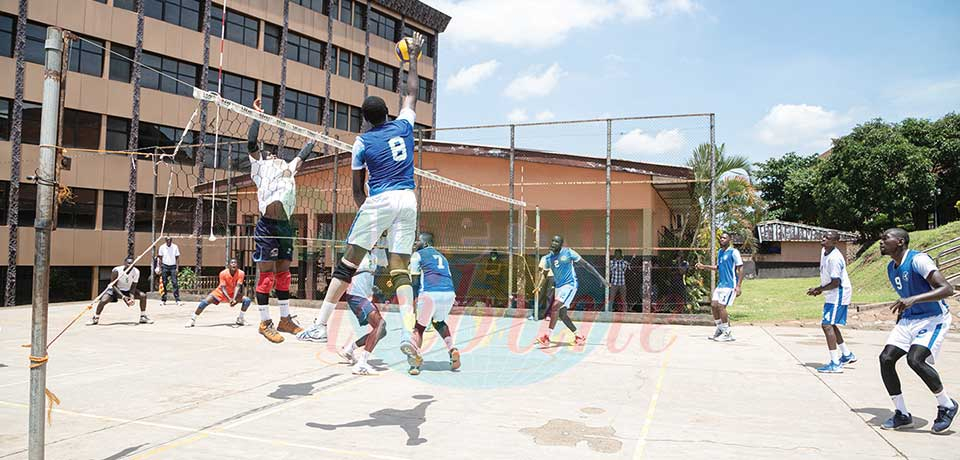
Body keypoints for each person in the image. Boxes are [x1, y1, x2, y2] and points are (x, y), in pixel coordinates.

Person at [297, 33, 426, 371]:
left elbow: (358, 189)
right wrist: (412, 58)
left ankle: (320, 324)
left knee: (348, 263)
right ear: (388, 113)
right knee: (400, 269)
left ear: (366, 119)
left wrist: (369, 225)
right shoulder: (404, 126)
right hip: (408, 199)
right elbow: (411, 92)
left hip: (380, 199)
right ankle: (411, 331)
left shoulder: (362, 141)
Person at [247, 98, 316, 343]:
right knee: (266, 274)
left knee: (284, 273)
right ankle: (264, 322)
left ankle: (284, 319)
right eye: (269, 151)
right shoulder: (260, 167)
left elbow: (303, 156)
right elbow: (252, 142)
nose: (273, 153)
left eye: (275, 151)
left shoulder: (287, 168)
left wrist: (315, 138)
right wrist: (257, 116)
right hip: (267, 224)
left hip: (285, 226)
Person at [877, 228, 957, 433]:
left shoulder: (918, 260)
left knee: (915, 360)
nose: (881, 242)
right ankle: (902, 414)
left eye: (886, 238)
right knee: (886, 358)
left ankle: (947, 405)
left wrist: (914, 299)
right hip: (908, 320)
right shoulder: (891, 267)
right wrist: (903, 312)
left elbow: (947, 289)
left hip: (933, 319)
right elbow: (906, 297)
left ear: (901, 242)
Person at [533, 235, 608, 346]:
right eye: (552, 241)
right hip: (559, 287)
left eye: (556, 242)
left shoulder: (568, 252)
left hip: (570, 285)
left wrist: (601, 278)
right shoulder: (549, 258)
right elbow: (545, 273)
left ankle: (547, 337)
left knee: (555, 307)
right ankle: (578, 336)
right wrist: (539, 285)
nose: (554, 243)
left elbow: (586, 265)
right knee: (562, 315)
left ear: (561, 244)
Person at [408, 232, 461, 375]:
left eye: (417, 241)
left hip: (430, 293)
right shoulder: (442, 257)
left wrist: (414, 301)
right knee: (439, 322)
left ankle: (414, 363)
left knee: (419, 328)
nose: (414, 244)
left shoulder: (417, 255)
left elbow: (415, 282)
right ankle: (452, 350)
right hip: (449, 293)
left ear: (425, 243)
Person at [335, 240, 389, 376]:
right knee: (380, 324)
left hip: (366, 296)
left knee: (382, 331)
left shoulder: (375, 255)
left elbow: (385, 265)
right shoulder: (358, 253)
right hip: (355, 296)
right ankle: (362, 364)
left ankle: (349, 349)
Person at [806, 231, 856, 373]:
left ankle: (835, 364)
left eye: (827, 238)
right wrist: (820, 289)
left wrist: (819, 289)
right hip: (831, 293)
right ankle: (846, 354)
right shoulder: (824, 250)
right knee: (831, 325)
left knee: (827, 325)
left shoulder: (835, 259)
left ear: (834, 242)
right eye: (823, 236)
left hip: (839, 293)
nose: (823, 239)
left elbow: (836, 282)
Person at [695, 232, 743, 342]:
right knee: (714, 305)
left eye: (724, 238)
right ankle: (720, 329)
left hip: (730, 285)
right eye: (721, 238)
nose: (722, 239)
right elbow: (718, 267)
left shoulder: (734, 252)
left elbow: (740, 268)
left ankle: (727, 333)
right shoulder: (720, 252)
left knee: (721, 307)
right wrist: (704, 266)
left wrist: (738, 286)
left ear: (729, 240)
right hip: (721, 284)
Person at [185, 258, 252, 328]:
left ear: (237, 265)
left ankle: (240, 319)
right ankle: (192, 319)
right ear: (229, 265)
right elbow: (223, 287)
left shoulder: (241, 273)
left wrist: (234, 299)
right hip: (220, 292)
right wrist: (229, 299)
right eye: (232, 263)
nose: (233, 264)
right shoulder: (223, 273)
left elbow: (237, 286)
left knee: (247, 300)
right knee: (204, 302)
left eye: (235, 263)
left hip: (232, 293)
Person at [87, 257, 152, 325]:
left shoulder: (136, 272)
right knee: (103, 300)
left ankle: (143, 317)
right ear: (124, 263)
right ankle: (95, 318)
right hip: (115, 289)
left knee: (143, 296)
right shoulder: (116, 271)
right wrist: (123, 297)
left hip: (128, 289)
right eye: (129, 263)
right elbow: (113, 285)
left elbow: (133, 287)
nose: (130, 265)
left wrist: (132, 297)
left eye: (132, 264)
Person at [157, 236, 182, 307]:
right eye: (167, 240)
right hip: (164, 266)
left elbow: (177, 258)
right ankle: (163, 299)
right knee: (164, 283)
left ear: (171, 240)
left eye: (170, 240)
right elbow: (160, 258)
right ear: (165, 240)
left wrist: (177, 268)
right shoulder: (162, 247)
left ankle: (177, 299)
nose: (169, 241)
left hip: (173, 267)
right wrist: (159, 268)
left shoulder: (175, 247)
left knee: (175, 283)